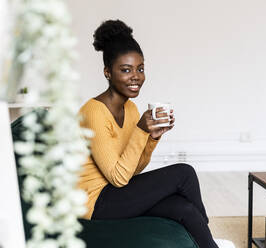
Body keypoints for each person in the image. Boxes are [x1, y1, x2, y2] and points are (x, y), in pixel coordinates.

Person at [78, 19, 219, 248]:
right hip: (95, 203)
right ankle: (207, 233)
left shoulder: (131, 109)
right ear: (107, 72)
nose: (136, 76)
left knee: (182, 208)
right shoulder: (93, 112)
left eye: (140, 69)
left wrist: (152, 137)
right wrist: (141, 130)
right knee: (184, 172)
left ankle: (209, 241)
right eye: (125, 70)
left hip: (115, 193)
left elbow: (133, 169)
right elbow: (118, 177)